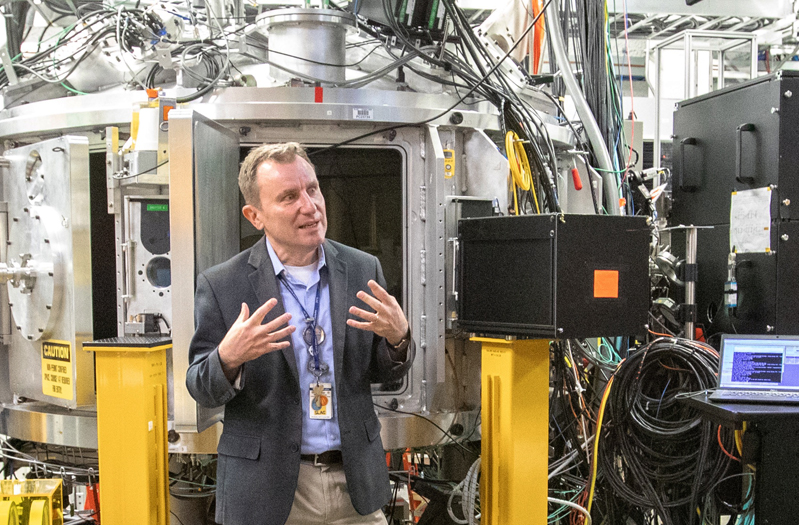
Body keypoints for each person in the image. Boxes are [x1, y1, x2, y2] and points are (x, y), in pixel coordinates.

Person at [186, 142, 414, 525]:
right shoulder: (223, 284)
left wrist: (398, 339)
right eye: (289, 196)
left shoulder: (362, 269)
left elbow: (384, 372)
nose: (309, 206)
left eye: (312, 189)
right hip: (268, 492)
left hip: (354, 484)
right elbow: (200, 387)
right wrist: (228, 358)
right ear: (254, 215)